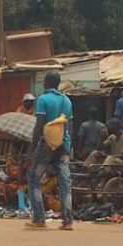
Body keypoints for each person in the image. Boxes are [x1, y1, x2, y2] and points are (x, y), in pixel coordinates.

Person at [26, 71, 74, 230]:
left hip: (46, 146)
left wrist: (31, 149)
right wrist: (69, 146)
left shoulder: (43, 99)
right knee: (65, 182)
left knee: (34, 178)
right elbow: (70, 126)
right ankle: (68, 221)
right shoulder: (67, 100)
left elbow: (39, 125)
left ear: (46, 83)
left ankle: (39, 218)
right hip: (63, 146)